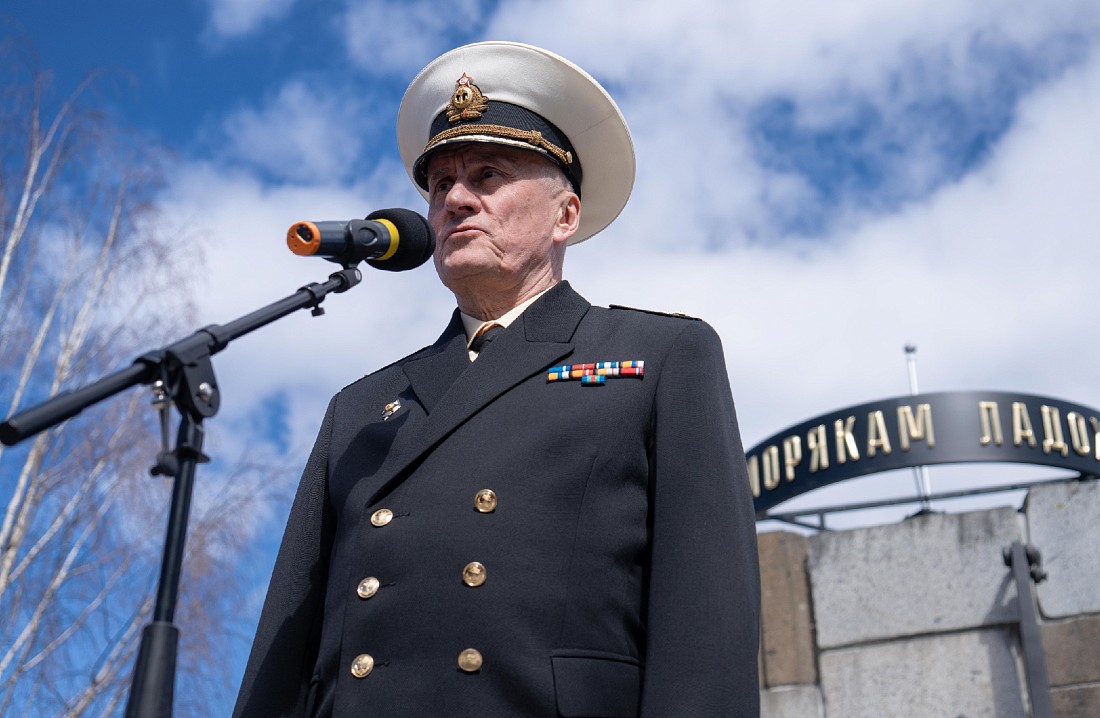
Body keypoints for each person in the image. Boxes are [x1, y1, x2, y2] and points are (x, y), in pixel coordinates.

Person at [234, 41, 760, 717]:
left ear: (565, 215)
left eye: (488, 175)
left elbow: (706, 623)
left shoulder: (658, 357)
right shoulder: (361, 409)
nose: (456, 198)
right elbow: (283, 659)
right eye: (439, 185)